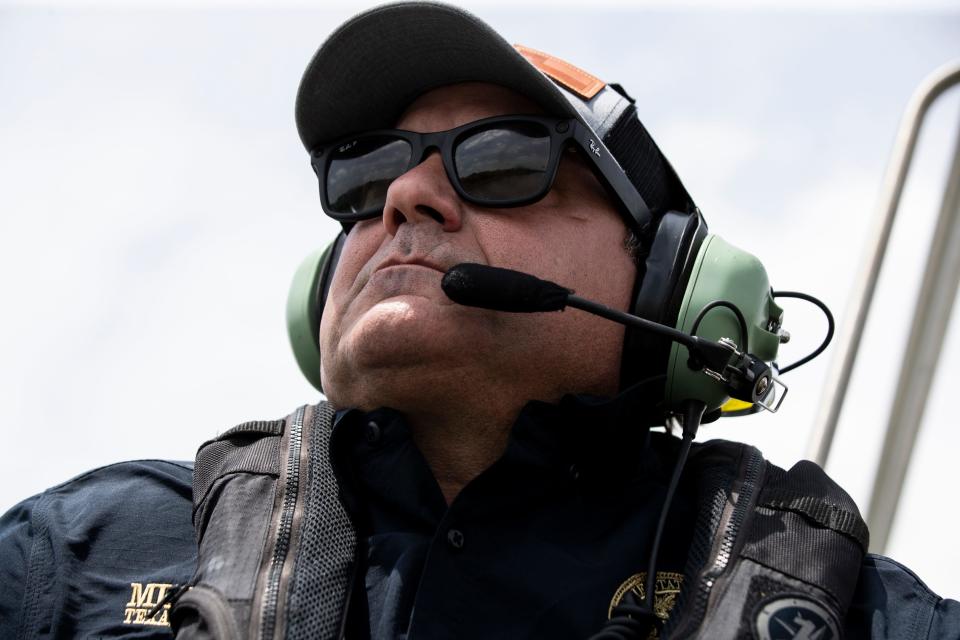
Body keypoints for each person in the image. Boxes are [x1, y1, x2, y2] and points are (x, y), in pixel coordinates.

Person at [2, 3, 958, 639]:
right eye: (365, 177)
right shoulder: (79, 552)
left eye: (500, 162)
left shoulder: (847, 609)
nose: (407, 196)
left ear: (667, 282)